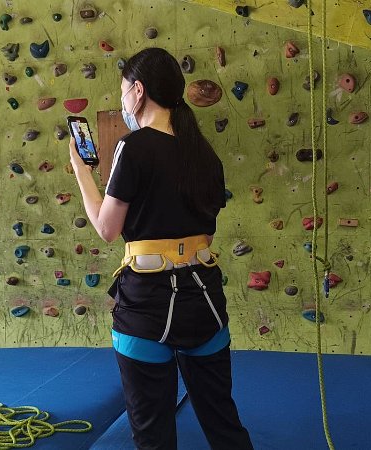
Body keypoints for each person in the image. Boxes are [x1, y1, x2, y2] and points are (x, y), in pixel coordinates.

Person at [68, 47, 253, 450]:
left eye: (123, 92)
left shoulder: (133, 147)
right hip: (203, 299)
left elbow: (107, 228)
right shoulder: (205, 154)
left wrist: (82, 173)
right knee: (224, 425)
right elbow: (205, 234)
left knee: (153, 435)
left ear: (138, 90)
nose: (123, 102)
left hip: (147, 305)